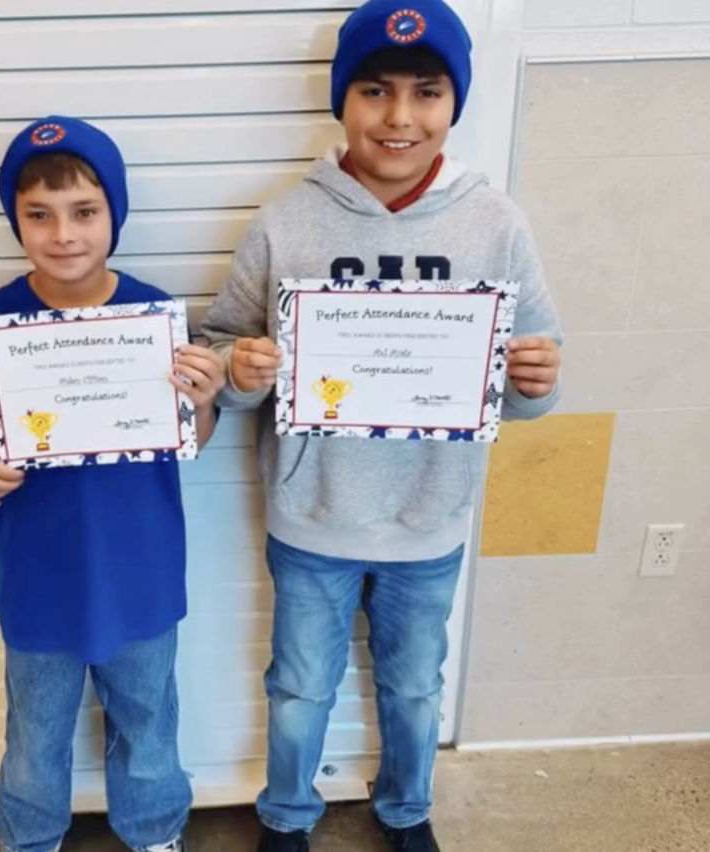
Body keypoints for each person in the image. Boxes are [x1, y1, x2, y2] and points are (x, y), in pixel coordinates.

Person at [201, 2, 563, 850]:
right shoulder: (284, 220)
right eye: (375, 90)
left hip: (428, 520)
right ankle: (288, 816)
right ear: (344, 100)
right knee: (298, 687)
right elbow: (223, 353)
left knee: (412, 689)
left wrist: (537, 382)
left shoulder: (497, 224)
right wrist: (241, 371)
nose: (400, 118)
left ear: (453, 104)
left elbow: (529, 373)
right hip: (311, 520)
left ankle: (406, 811)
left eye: (426, 93)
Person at [0, 116, 226, 852]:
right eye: (39, 214)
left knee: (149, 718)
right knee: (35, 728)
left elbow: (192, 439)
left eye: (84, 211)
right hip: (38, 576)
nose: (63, 233)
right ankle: (29, 837)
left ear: (113, 213)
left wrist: (206, 397)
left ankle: (155, 832)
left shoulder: (154, 315)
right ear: (17, 221)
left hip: (142, 572)